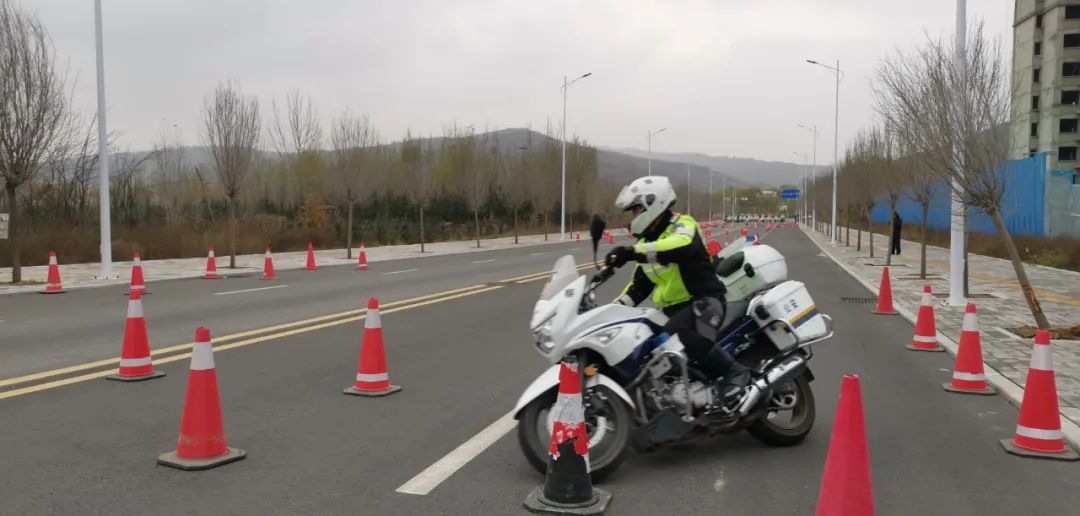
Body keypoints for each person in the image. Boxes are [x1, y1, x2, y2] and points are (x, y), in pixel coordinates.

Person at [604, 176, 750, 404]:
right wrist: (610, 312)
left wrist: (632, 252)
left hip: (705, 301)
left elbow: (681, 246)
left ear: (654, 204)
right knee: (646, 345)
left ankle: (736, 372)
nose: (633, 216)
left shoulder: (682, 225)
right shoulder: (646, 242)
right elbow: (638, 288)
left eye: (636, 210)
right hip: (673, 310)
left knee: (676, 335)